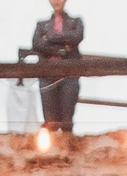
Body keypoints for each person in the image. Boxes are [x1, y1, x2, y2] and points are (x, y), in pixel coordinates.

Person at [28, 0, 85, 132]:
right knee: (50, 120)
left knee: (66, 120)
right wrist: (61, 49)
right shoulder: (41, 25)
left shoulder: (76, 22)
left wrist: (50, 38)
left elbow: (77, 36)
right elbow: (37, 44)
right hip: (47, 75)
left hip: (69, 74)